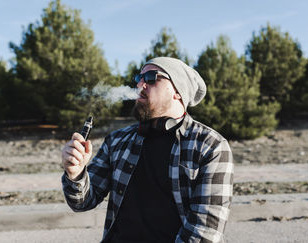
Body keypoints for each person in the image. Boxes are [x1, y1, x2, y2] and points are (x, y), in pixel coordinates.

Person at [61, 57, 234, 242]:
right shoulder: (117, 140)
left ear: (177, 91)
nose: (140, 84)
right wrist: (76, 174)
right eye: (139, 78)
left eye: (151, 77)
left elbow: (204, 233)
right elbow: (82, 203)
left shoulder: (210, 146)